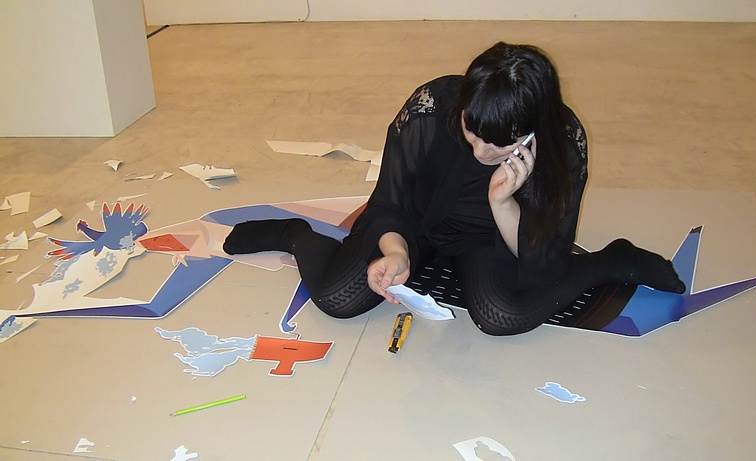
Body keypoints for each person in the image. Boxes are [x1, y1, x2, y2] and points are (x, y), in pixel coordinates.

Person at [222, 42, 685, 336]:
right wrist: (396, 251)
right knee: (336, 298)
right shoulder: (431, 108)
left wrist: (502, 202)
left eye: (499, 144)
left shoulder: (562, 143)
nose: (481, 151)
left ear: (530, 132)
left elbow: (542, 261)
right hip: (416, 223)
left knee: (501, 317)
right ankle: (295, 235)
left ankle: (608, 261)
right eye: (472, 131)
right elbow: (390, 202)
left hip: (489, 238)